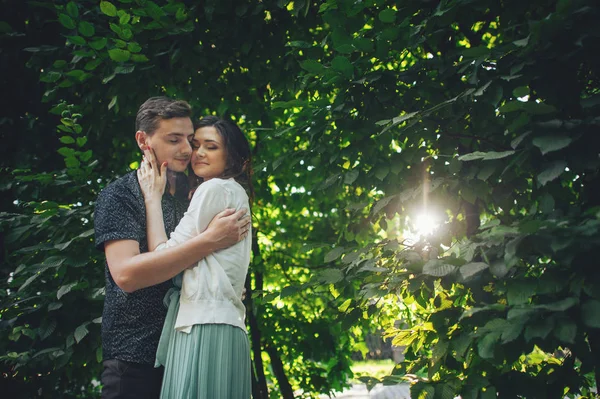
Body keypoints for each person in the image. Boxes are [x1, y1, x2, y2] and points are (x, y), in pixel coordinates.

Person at [94, 97, 250, 399]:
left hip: (189, 344)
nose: (187, 150)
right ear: (143, 140)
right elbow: (126, 275)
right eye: (173, 139)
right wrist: (208, 241)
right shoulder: (121, 195)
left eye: (189, 140)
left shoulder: (194, 195)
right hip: (134, 355)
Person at [136, 115, 253, 398]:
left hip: (204, 325)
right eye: (196, 144)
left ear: (232, 155)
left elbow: (164, 258)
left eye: (211, 146)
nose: (198, 153)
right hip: (227, 326)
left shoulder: (213, 188)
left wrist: (152, 199)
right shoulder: (236, 193)